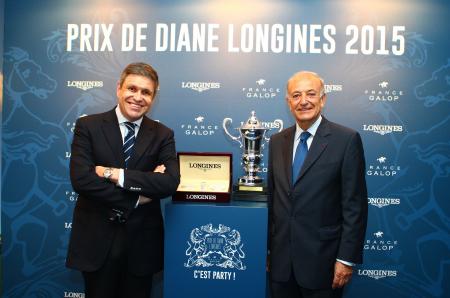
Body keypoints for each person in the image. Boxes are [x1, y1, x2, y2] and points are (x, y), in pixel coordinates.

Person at [66, 62, 180, 298]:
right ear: (119, 88)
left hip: (141, 246)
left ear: (154, 97)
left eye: (146, 92)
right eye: (132, 88)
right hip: (96, 242)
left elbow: (169, 183)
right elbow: (82, 180)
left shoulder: (163, 135)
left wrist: (114, 174)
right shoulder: (88, 126)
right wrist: (137, 198)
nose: (138, 97)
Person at [267, 71, 368, 298]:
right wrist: (269, 250)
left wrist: (345, 259)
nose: (304, 101)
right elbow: (274, 200)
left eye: (311, 94)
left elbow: (355, 206)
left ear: (323, 99)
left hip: (324, 264)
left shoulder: (346, 140)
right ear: (288, 102)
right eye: (296, 95)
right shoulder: (276, 141)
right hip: (281, 266)